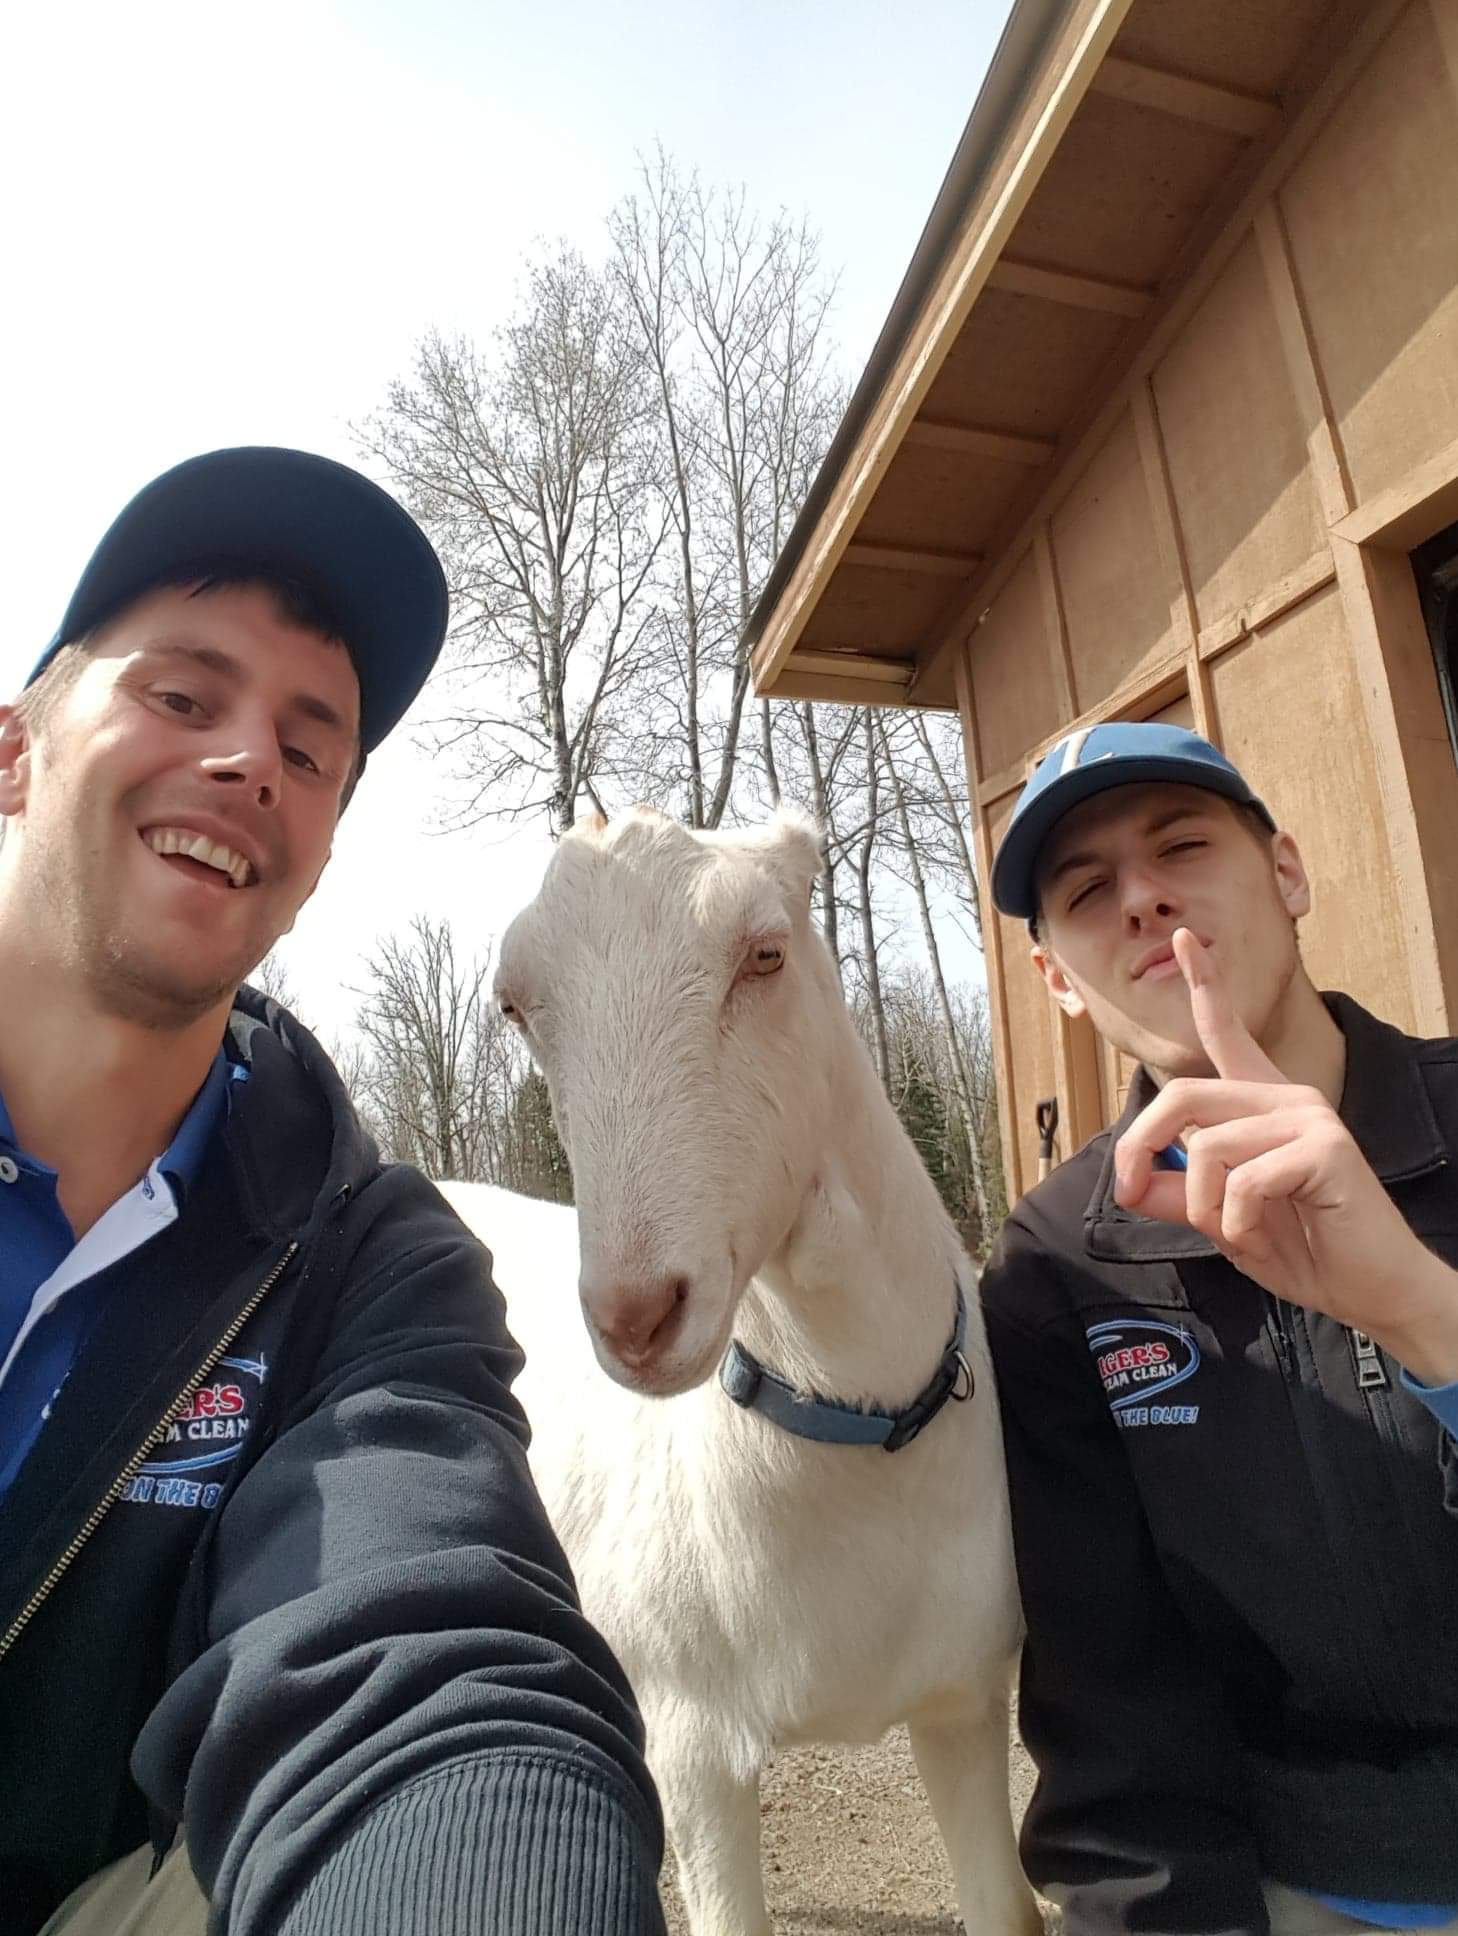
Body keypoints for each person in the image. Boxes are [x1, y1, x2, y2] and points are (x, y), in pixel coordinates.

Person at [0, 448, 665, 1936]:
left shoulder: (369, 1265)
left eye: (311, 753)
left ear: (314, 861)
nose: (252, 761)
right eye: (185, 696)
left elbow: (421, 1652)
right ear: (14, 754)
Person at [980, 721, 1458, 1936]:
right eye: (1087, 890)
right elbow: (1112, 1694)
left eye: (1182, 846)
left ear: (1287, 872)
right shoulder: (1058, 1262)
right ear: (1058, 979)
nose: (1142, 898)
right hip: (1310, 1882)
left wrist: (1420, 1307)